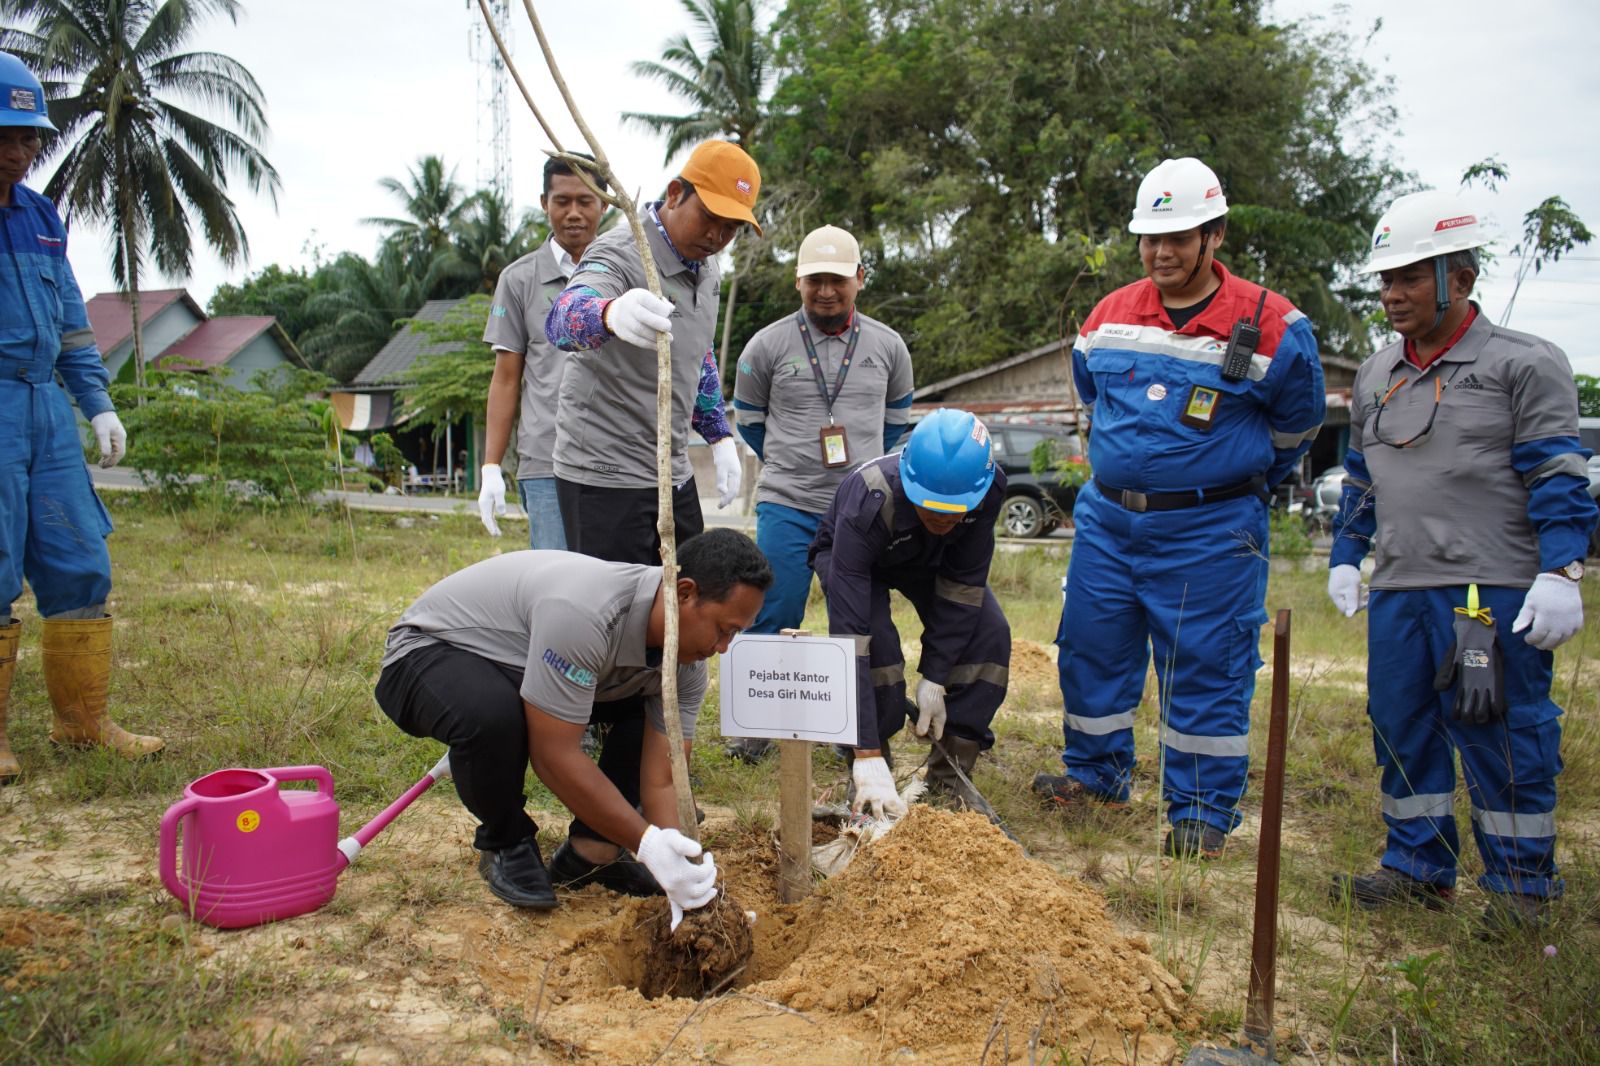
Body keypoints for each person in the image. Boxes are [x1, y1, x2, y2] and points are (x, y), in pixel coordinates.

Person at [1032, 157, 1325, 859]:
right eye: (1150, 238)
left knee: (1206, 663)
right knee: (1091, 651)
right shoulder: (1106, 318)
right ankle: (1097, 777)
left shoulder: (1273, 324)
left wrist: (1222, 481)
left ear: (1215, 235)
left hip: (1212, 530)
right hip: (1108, 523)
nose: (1162, 252)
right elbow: (1096, 401)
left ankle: (1199, 808)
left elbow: (1296, 428)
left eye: (1180, 237)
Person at [1327, 190, 1597, 928]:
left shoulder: (1525, 364)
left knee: (1502, 733)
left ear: (1462, 276)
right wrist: (1347, 556)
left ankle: (1521, 891)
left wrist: (1561, 569)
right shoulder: (1379, 374)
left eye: (1411, 276)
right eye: (1385, 280)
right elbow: (1361, 482)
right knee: (1400, 725)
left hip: (1491, 593)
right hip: (1401, 590)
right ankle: (1417, 866)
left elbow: (1557, 477)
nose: (1392, 293)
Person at [374, 529, 772, 918]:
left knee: (646, 715)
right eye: (724, 630)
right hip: (428, 654)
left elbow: (664, 780)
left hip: (527, 671)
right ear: (685, 594)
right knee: (495, 716)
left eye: (735, 635)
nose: (722, 649)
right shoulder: (587, 615)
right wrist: (646, 844)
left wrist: (686, 869)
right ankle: (506, 841)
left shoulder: (686, 668)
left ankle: (590, 853)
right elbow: (554, 755)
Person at [0, 51, 162, 783]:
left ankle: (82, 720)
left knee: (80, 558)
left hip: (45, 408)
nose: (25, 150)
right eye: (9, 135)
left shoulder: (38, 217)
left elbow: (69, 323)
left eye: (32, 137)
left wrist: (96, 404)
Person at [724, 224, 915, 761]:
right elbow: (752, 423)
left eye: (837, 280)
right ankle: (756, 724)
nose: (825, 291)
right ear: (797, 282)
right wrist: (794, 464)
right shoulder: (767, 344)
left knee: (860, 619)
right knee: (770, 605)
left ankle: (854, 727)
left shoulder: (887, 346)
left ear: (859, 279)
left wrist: (859, 476)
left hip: (863, 509)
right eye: (814, 281)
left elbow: (896, 424)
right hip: (787, 500)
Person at [543, 139, 756, 565]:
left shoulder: (707, 267)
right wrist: (609, 314)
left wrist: (718, 436)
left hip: (671, 470)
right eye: (710, 218)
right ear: (676, 194)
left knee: (686, 598)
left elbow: (700, 354)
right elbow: (562, 319)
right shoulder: (620, 252)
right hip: (604, 474)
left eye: (731, 228)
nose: (716, 236)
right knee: (617, 613)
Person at [809, 408, 1011, 813]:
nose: (941, 518)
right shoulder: (869, 497)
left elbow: (963, 587)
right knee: (876, 647)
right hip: (854, 557)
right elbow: (850, 636)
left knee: (988, 635)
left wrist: (936, 677)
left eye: (953, 510)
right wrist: (865, 751)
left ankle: (947, 779)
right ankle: (869, 772)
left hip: (929, 558)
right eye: (931, 507)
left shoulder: (988, 488)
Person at [478, 154, 607, 547]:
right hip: (545, 460)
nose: (573, 213)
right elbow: (506, 378)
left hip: (614, 457)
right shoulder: (519, 279)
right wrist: (490, 467)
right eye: (562, 201)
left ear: (604, 203)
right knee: (556, 581)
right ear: (544, 203)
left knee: (616, 584)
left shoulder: (627, 271)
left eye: (585, 202)